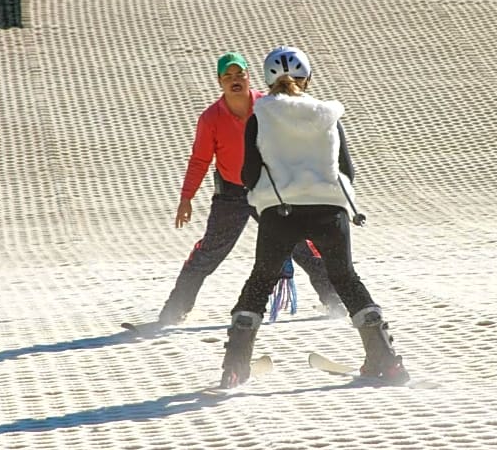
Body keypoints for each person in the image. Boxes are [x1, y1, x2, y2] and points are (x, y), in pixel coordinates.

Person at [218, 45, 409, 388]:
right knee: (346, 280)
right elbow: (346, 171)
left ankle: (235, 367)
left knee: (260, 282)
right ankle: (387, 360)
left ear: (266, 79)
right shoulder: (327, 115)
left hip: (281, 212)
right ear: (308, 79)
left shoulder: (260, 117)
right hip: (329, 211)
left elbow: (247, 174)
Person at [155, 51, 345, 327]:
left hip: (268, 189)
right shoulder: (211, 118)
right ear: (219, 81)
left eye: (239, 74)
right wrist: (186, 198)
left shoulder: (266, 107)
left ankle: (334, 300)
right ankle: (174, 311)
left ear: (248, 77)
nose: (234, 80)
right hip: (231, 193)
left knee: (301, 244)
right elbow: (199, 160)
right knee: (210, 251)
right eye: (228, 76)